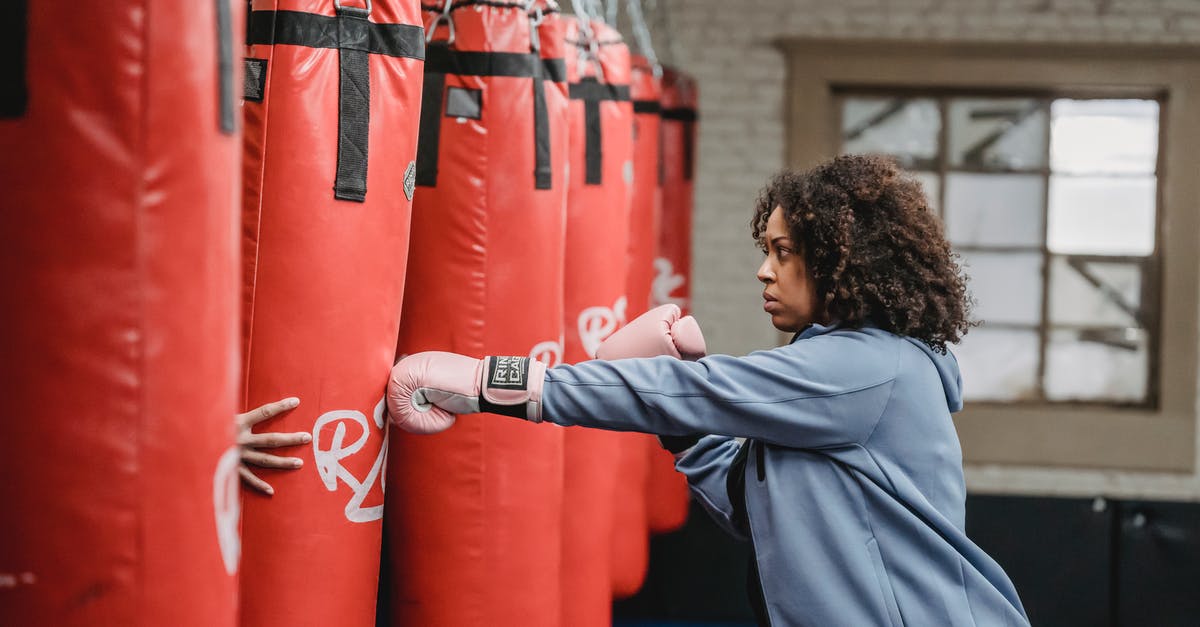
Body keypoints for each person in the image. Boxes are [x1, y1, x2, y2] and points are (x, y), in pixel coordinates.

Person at [387, 154, 1031, 626]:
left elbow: (683, 390)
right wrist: (688, 431)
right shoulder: (831, 375)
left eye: (783, 251)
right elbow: (754, 509)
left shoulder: (870, 368)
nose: (763, 269)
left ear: (842, 259)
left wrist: (483, 382)